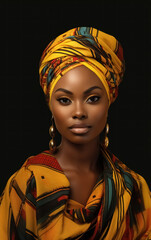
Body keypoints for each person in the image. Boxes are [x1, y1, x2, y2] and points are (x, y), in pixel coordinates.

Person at [0, 27, 151, 240]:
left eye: (93, 99)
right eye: (65, 100)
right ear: (51, 105)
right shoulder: (28, 184)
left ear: (109, 100)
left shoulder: (133, 189)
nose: (79, 112)